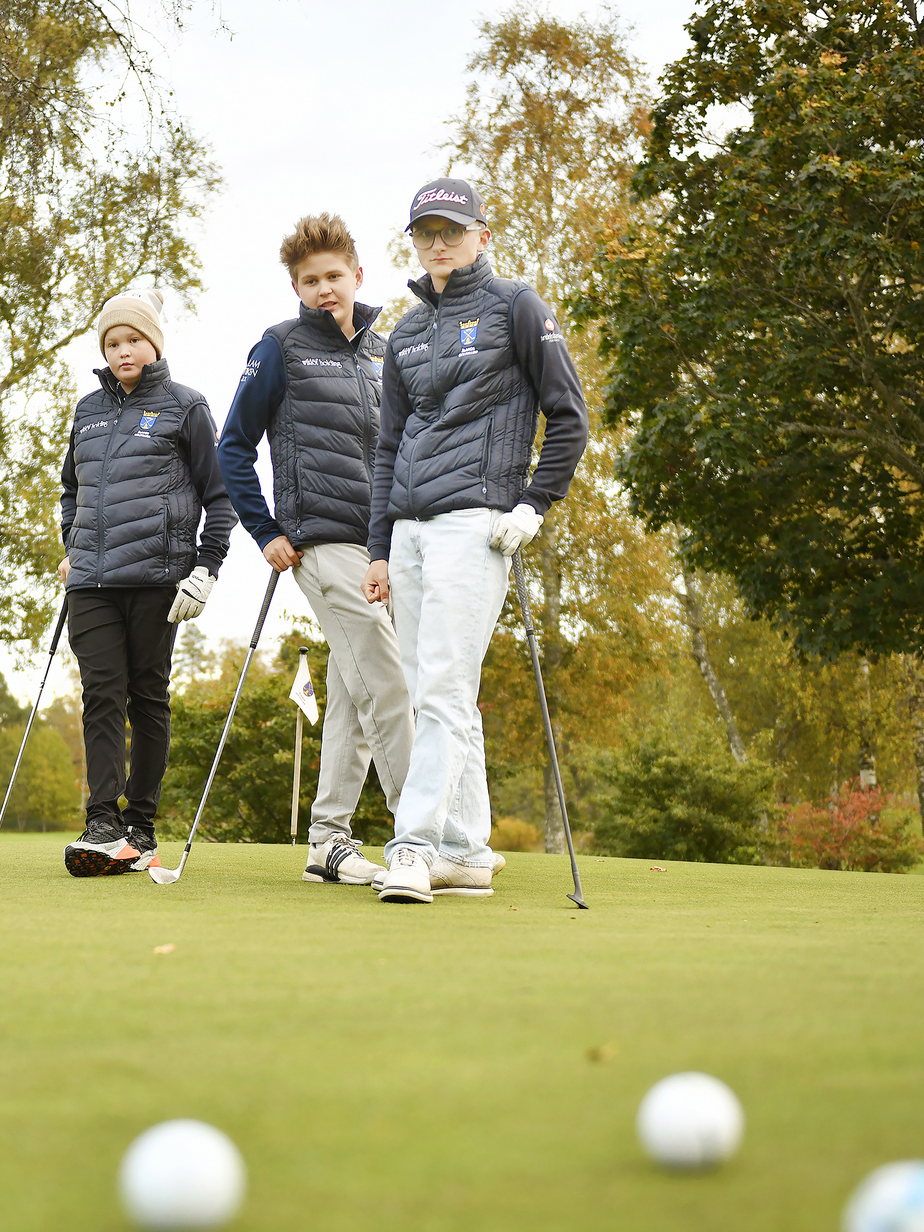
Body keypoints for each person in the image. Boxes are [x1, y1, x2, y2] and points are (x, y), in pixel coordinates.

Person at [363, 178, 588, 904]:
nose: (438, 244)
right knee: (441, 692)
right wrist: (376, 546)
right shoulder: (405, 331)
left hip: (478, 523)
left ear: (482, 235)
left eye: (451, 231)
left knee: (443, 690)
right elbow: (388, 446)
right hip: (409, 529)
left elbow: (569, 415)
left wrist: (535, 503)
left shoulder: (516, 305)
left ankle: (412, 846)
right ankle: (464, 849)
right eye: (426, 232)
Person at [216, 213, 413, 886]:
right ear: (295, 288)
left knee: (357, 690)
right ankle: (424, 833)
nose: (325, 288)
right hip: (322, 544)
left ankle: (328, 841)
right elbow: (232, 447)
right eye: (310, 280)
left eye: (335, 275)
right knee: (387, 679)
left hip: (388, 547)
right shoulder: (278, 348)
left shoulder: (389, 351)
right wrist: (264, 529)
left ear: (359, 275)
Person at [59, 288, 237, 876]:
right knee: (101, 695)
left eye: (132, 339)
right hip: (91, 582)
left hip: (158, 578)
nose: (122, 350)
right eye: (112, 343)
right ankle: (102, 823)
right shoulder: (87, 411)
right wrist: (71, 546)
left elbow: (221, 497)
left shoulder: (186, 407)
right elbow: (72, 492)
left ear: (154, 343)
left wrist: (206, 570)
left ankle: (141, 825)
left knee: (147, 697)